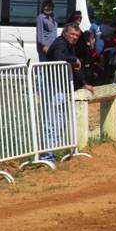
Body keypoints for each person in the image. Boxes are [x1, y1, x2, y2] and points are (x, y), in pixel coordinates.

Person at [44, 23, 94, 161]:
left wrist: (84, 84)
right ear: (65, 33)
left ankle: (51, 154)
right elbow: (59, 58)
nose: (75, 37)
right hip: (52, 86)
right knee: (53, 121)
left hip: (61, 86)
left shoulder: (70, 47)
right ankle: (47, 156)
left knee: (60, 121)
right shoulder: (60, 43)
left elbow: (75, 69)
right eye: (72, 34)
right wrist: (74, 59)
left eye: (77, 36)